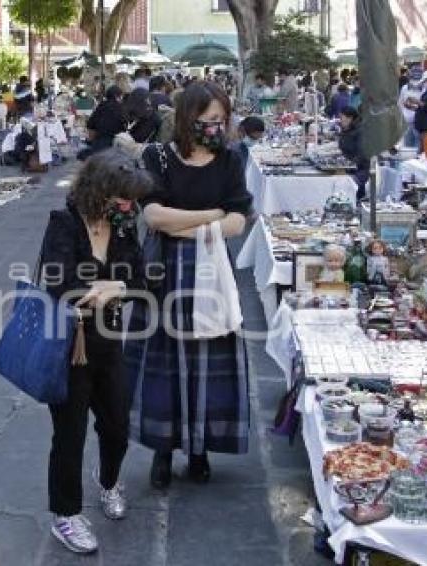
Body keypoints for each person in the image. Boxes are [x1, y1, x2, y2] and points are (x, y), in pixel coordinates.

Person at [125, 81, 252, 489]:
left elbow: (239, 221)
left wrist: (196, 221)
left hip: (212, 269)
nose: (216, 127)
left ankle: (200, 449)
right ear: (187, 118)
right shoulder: (157, 156)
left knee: (206, 362)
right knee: (163, 365)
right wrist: (211, 215)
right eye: (209, 120)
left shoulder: (230, 159)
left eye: (221, 120)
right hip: (165, 270)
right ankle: (162, 451)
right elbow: (155, 216)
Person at [40, 148, 148, 554]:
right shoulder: (64, 224)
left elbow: (142, 279)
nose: (129, 205)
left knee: (117, 424)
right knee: (69, 433)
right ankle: (65, 514)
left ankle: (108, 481)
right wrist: (96, 291)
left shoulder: (122, 226)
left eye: (132, 199)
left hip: (108, 341)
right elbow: (57, 283)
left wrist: (115, 288)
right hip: (69, 345)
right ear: (99, 190)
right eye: (123, 197)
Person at [77, 86, 126, 161]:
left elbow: (90, 124)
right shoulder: (121, 107)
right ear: (117, 96)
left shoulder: (101, 105)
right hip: (116, 143)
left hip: (100, 143)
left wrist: (92, 139)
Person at [338, 106, 370, 201]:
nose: (340, 120)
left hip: (360, 170)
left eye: (341, 118)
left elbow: (362, 155)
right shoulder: (346, 130)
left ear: (350, 118)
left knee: (342, 184)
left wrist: (348, 165)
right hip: (350, 168)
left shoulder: (360, 132)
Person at [399, 79, 424, 148]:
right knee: (408, 142)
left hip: (418, 120)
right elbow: (400, 103)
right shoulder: (405, 88)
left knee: (417, 142)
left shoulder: (424, 88)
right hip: (407, 119)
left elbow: (424, 105)